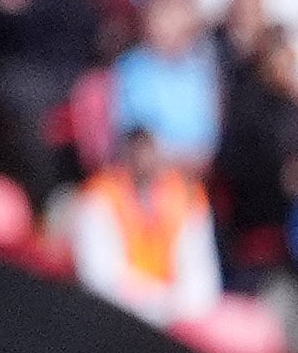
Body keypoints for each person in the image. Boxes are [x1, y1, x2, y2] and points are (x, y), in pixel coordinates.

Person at [70, 127, 222, 331]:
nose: (145, 162)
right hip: (117, 319)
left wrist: (171, 306)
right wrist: (152, 303)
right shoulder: (100, 197)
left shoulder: (188, 199)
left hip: (176, 320)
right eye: (137, 153)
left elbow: (202, 285)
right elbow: (99, 279)